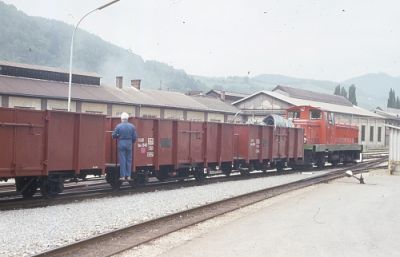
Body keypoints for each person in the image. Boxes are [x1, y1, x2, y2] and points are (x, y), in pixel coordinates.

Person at [112, 112, 137, 181]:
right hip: (129, 144)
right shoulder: (132, 126)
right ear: (127, 119)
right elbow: (135, 137)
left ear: (121, 119)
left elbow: (113, 135)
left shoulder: (118, 126)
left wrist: (118, 135)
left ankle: (122, 176)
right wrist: (132, 142)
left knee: (122, 160)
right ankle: (128, 176)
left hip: (121, 143)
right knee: (129, 160)